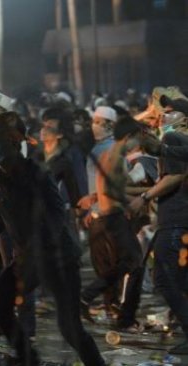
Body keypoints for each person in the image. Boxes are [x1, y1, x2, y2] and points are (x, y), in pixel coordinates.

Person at [0, 112, 105, 366]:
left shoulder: (35, 173)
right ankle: (28, 359)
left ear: (10, 141)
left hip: (57, 259)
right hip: (26, 258)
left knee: (70, 328)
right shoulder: (0, 177)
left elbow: (56, 215)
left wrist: (39, 249)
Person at [129, 97, 188, 354]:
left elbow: (176, 176)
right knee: (181, 279)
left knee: (164, 278)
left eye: (170, 112)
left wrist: (145, 197)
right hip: (176, 217)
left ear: (184, 118)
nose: (164, 115)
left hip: (176, 218)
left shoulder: (174, 139)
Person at [78, 117, 144, 332]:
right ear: (128, 137)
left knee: (127, 264)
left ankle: (88, 299)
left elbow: (109, 188)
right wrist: (136, 199)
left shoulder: (108, 155)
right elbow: (111, 190)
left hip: (109, 217)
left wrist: (143, 195)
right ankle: (124, 318)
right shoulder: (115, 158)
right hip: (113, 218)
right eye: (137, 139)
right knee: (135, 265)